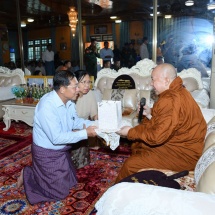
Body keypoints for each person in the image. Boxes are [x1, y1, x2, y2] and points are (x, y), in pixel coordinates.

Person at [115, 63, 207, 183]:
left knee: (131, 164)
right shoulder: (179, 90)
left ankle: (117, 192)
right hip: (180, 145)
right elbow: (173, 117)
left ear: (166, 80)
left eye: (153, 79)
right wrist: (150, 112)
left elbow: (156, 137)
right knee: (139, 145)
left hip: (183, 155)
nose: (151, 83)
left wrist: (129, 132)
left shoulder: (170, 99)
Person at [17, 70, 97, 204]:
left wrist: (96, 124)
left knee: (71, 181)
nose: (78, 89)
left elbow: (75, 122)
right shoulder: (47, 106)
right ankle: (28, 174)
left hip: (61, 150)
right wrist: (85, 133)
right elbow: (57, 139)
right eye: (75, 86)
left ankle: (42, 174)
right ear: (62, 89)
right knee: (59, 193)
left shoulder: (69, 101)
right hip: (47, 153)